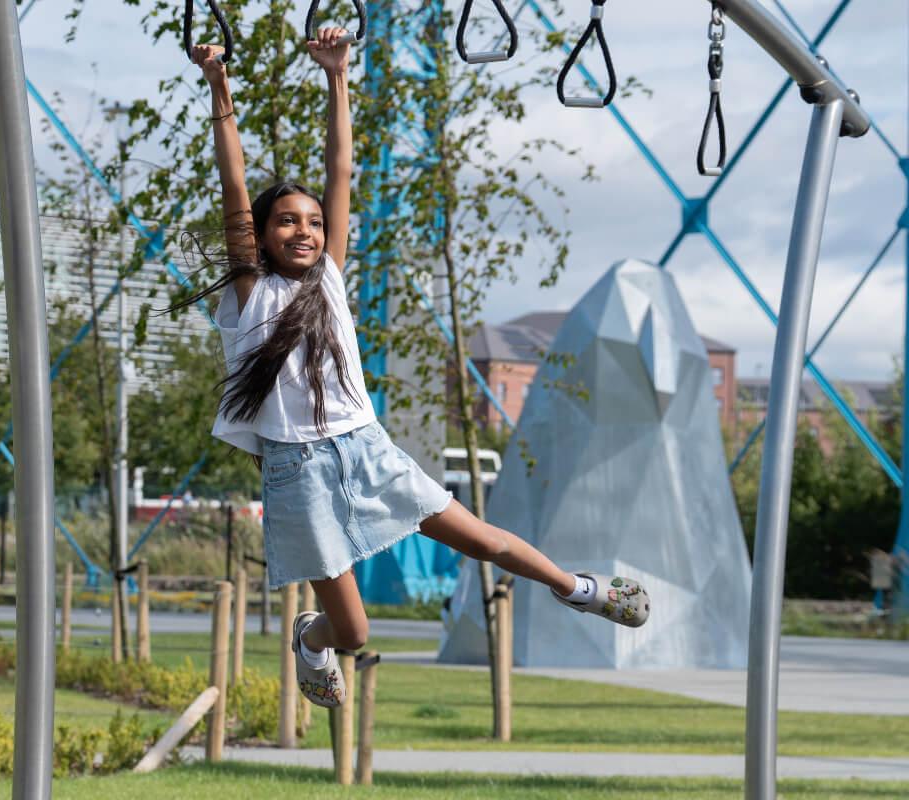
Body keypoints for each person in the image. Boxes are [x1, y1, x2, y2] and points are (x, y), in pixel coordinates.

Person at [185, 29, 652, 709]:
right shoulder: (251, 290)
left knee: (486, 542)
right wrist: (219, 84)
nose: (305, 231)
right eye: (287, 221)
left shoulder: (330, 278)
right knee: (353, 629)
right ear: (259, 234)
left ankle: (580, 589)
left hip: (367, 450)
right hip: (298, 473)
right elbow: (234, 181)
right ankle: (310, 640)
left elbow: (340, 168)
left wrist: (338, 76)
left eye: (314, 222)